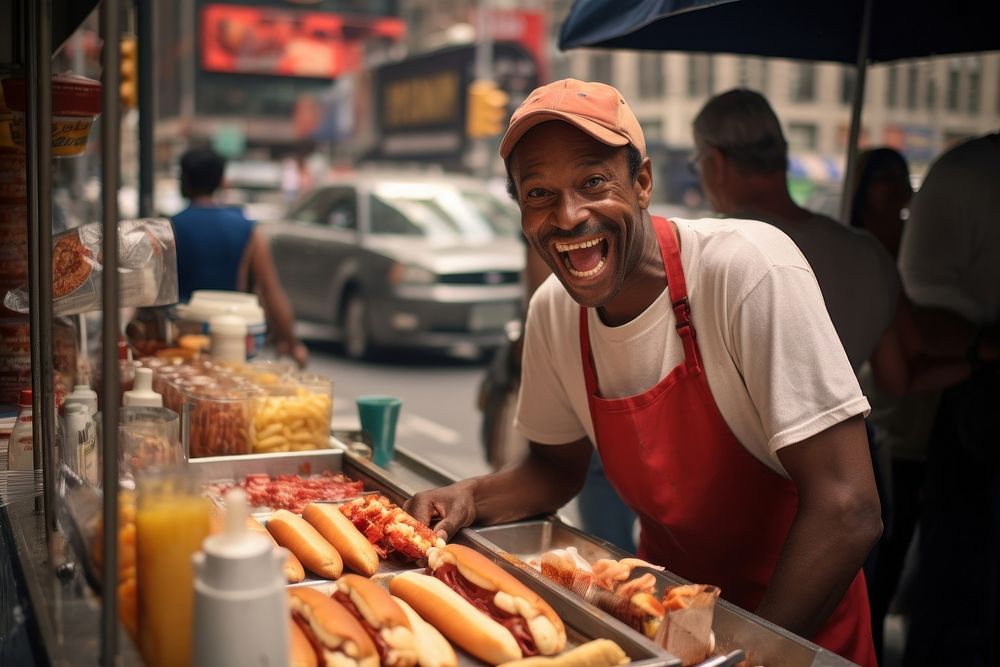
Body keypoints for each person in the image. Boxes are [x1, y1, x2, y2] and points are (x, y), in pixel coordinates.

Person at [407, 79, 882, 666]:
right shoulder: (555, 313)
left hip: (795, 635)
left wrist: (744, 656)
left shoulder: (747, 270)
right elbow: (555, 468)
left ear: (643, 182)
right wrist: (470, 496)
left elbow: (847, 507)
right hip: (660, 626)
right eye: (539, 193)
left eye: (592, 182)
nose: (569, 215)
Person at [897, 132, 1000, 666]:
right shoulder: (969, 172)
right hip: (966, 412)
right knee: (960, 576)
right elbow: (908, 354)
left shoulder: (966, 171)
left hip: (958, 407)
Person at [172, 146, 308, 367]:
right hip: (234, 338)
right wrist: (292, 343)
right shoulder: (249, 230)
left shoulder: (170, 228)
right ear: (221, 181)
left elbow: (151, 296)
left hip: (183, 339)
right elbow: (271, 291)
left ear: (184, 181)